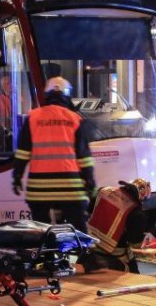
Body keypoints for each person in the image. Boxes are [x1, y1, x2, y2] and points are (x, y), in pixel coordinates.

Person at [12, 76, 95, 231]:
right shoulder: (75, 119)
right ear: (67, 95)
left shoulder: (33, 118)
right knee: (78, 229)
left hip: (38, 188)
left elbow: (23, 152)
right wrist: (90, 181)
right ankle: (82, 254)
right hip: (70, 187)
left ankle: (45, 252)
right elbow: (84, 157)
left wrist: (17, 176)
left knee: (41, 230)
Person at [87, 178, 151, 273]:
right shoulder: (136, 211)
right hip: (115, 254)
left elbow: (89, 209)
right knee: (135, 277)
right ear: (141, 197)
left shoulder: (104, 190)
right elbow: (135, 243)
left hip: (90, 247)